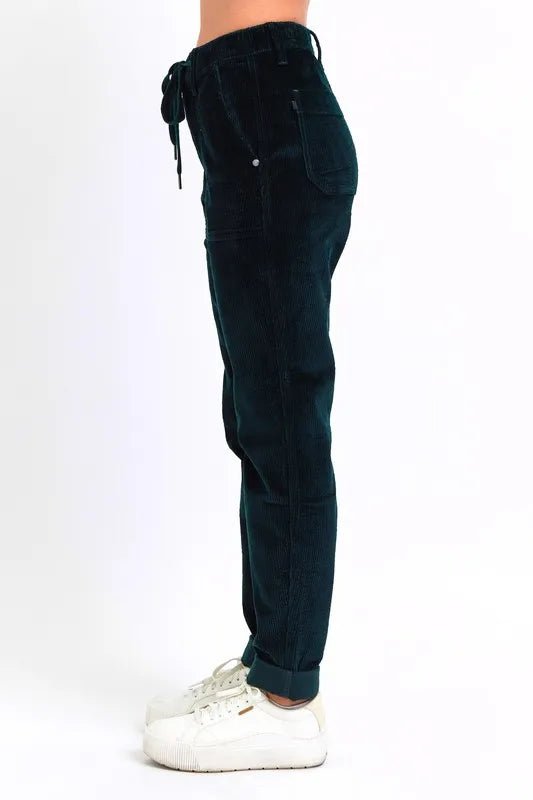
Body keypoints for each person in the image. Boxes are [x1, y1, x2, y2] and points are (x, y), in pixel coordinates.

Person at [144, 0, 358, 771]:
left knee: (283, 420)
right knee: (259, 416)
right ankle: (269, 659)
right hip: (250, 114)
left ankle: (285, 700)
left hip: (267, 113)